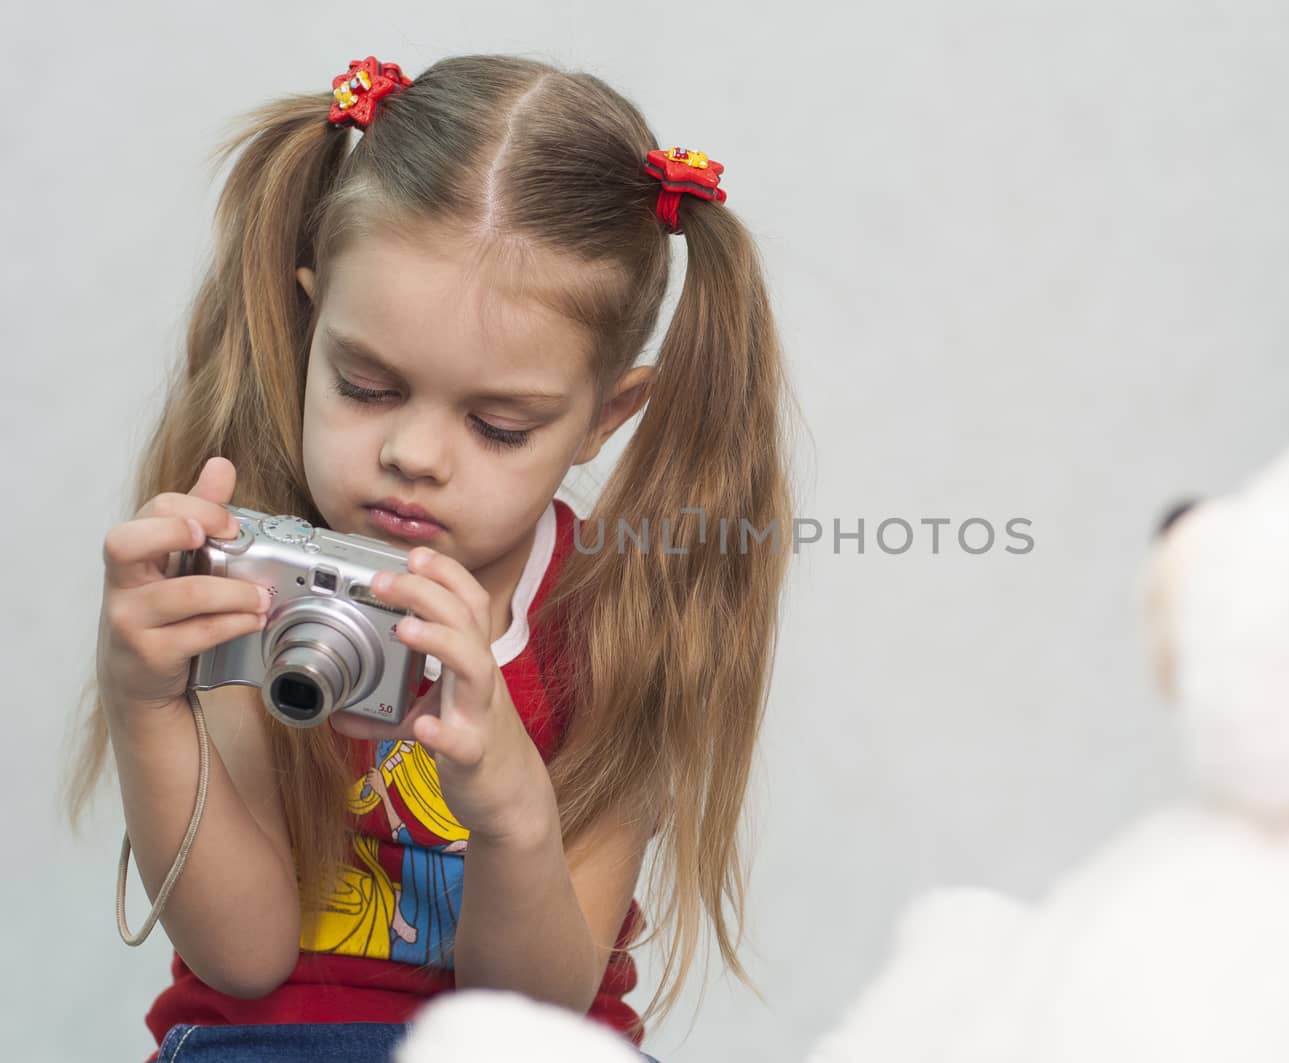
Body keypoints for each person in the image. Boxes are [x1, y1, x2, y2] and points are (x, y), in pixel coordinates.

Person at [62, 51, 796, 1063]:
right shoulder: (250, 575)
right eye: (366, 386)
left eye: (498, 427)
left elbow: (529, 1018)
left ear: (603, 417)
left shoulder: (620, 621)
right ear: (310, 321)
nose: (413, 455)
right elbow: (245, 954)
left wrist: (507, 810)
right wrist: (145, 701)